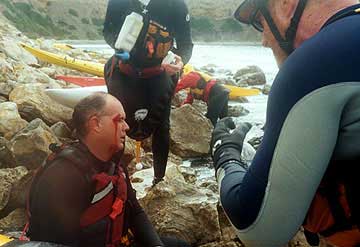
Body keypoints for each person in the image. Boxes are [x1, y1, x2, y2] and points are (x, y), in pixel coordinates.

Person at [210, 0, 360, 246]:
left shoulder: (317, 62)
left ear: (286, 3)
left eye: (260, 22)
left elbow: (258, 229)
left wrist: (225, 154)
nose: (264, 41)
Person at [26, 92, 190, 247]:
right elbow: (51, 241)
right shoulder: (63, 175)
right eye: (119, 120)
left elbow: (135, 213)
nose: (126, 127)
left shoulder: (114, 164)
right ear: (96, 124)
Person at [103, 0, 193, 185]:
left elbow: (186, 44)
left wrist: (178, 59)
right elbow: (108, 30)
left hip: (159, 73)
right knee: (116, 121)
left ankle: (158, 181)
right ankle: (115, 180)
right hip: (124, 70)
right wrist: (118, 46)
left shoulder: (176, 5)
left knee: (162, 125)